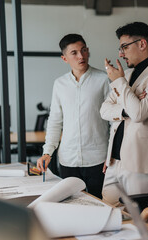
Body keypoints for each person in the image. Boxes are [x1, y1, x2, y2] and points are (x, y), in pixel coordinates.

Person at [100, 22, 148, 206]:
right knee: (110, 217)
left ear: (142, 44)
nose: (120, 53)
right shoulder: (125, 74)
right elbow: (104, 110)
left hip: (141, 163)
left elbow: (139, 113)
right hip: (113, 161)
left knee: (140, 221)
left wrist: (119, 83)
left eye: (124, 47)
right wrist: (126, 107)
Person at [37, 34, 109, 199]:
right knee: (71, 204)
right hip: (68, 160)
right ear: (64, 58)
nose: (81, 56)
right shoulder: (59, 84)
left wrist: (111, 156)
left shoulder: (103, 80)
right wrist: (47, 152)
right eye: (74, 53)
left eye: (83, 50)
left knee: (99, 204)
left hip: (98, 159)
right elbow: (55, 121)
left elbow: (114, 122)